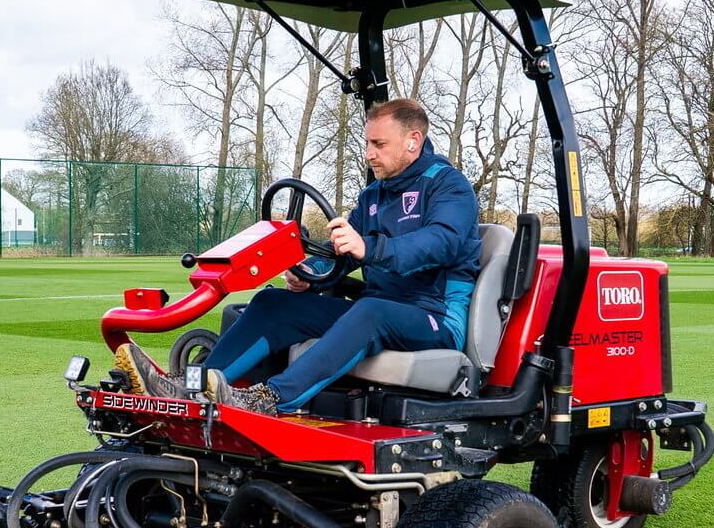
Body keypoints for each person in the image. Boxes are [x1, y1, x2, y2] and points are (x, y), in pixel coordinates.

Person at [117, 97, 481, 415]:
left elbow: (442, 242)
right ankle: (190, 392)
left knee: (371, 311)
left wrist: (371, 248)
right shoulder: (374, 195)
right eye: (367, 143)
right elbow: (341, 254)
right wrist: (311, 271)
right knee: (273, 303)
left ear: (413, 141)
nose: (369, 153)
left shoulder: (448, 185)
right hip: (377, 309)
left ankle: (270, 399)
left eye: (379, 144)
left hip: (435, 317)